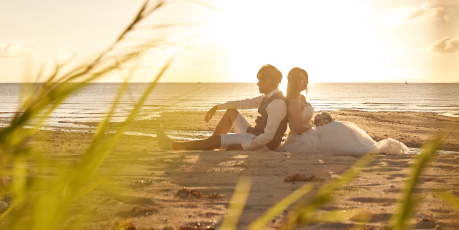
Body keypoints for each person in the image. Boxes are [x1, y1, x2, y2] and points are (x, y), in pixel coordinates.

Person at [277, 67, 409, 155]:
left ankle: (369, 148)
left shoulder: (301, 98)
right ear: (294, 81)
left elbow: (305, 120)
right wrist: (319, 128)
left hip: (310, 131)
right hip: (301, 138)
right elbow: (299, 129)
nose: (305, 81)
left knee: (340, 127)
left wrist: (320, 124)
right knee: (338, 129)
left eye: (306, 78)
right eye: (301, 78)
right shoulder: (293, 101)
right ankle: (366, 150)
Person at [157, 64, 288, 151]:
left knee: (214, 141)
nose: (258, 83)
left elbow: (268, 137)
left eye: (260, 80)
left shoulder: (277, 104)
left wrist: (243, 147)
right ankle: (211, 143)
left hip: (262, 144)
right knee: (231, 112)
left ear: (269, 82)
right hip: (254, 134)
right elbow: (243, 103)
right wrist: (217, 107)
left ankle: (172, 146)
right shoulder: (267, 98)